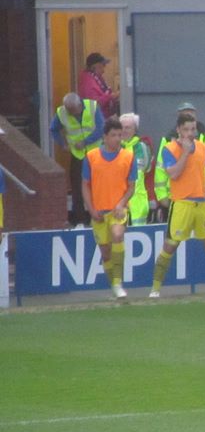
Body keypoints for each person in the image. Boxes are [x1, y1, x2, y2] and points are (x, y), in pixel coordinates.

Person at [149, 111, 205, 297]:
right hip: (182, 204)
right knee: (170, 246)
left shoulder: (203, 147)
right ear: (178, 130)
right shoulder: (169, 149)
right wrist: (185, 152)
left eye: (193, 129)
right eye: (186, 130)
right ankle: (155, 288)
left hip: (202, 204)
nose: (190, 133)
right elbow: (174, 174)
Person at [81, 115, 136, 300]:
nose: (118, 139)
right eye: (114, 135)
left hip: (118, 210)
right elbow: (85, 185)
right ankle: (114, 285)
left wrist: (121, 203)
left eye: (120, 135)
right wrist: (90, 209)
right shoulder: (91, 157)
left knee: (117, 235)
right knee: (105, 253)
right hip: (99, 211)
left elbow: (131, 187)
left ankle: (118, 283)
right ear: (104, 137)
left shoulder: (128, 156)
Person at [154, 102, 205, 221]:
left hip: (203, 197)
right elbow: (160, 170)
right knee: (177, 232)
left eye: (191, 114)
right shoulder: (168, 141)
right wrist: (162, 196)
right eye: (184, 114)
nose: (189, 132)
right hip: (177, 199)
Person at [50, 92, 104, 227]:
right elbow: (53, 129)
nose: (72, 114)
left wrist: (86, 142)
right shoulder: (62, 112)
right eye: (69, 111)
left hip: (96, 153)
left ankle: (98, 216)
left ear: (80, 105)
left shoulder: (92, 107)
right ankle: (80, 220)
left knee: (98, 186)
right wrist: (62, 144)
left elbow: (101, 129)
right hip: (78, 155)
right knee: (77, 188)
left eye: (74, 111)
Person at [119, 113, 153, 227]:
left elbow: (147, 168)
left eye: (128, 127)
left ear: (135, 130)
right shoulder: (115, 147)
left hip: (138, 201)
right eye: (122, 127)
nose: (124, 130)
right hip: (118, 200)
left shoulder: (142, 147)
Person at [77, 52, 119, 118]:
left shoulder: (95, 78)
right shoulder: (88, 83)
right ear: (93, 67)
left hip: (103, 116)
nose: (103, 71)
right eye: (102, 66)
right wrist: (111, 96)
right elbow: (94, 103)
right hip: (96, 119)